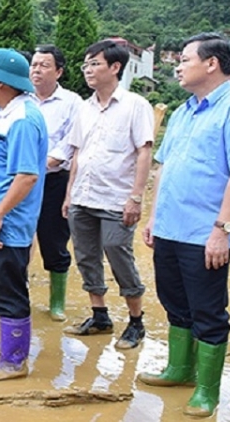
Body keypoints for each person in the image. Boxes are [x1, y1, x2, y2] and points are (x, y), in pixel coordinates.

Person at [137, 33, 230, 418]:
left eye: (185, 58)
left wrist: (220, 230)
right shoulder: (181, 111)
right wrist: (154, 218)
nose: (177, 64)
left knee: (208, 310)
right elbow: (163, 169)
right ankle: (179, 368)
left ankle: (207, 390)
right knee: (174, 302)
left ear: (211, 63)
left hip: (204, 231)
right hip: (170, 228)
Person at [61, 40, 154, 350]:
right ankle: (100, 316)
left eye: (95, 64)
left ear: (115, 67)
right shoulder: (83, 109)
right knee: (86, 257)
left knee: (118, 252)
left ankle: (136, 321)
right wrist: (69, 194)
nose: (88, 70)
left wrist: (136, 197)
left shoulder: (135, 105)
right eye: (86, 64)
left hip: (116, 199)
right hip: (83, 198)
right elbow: (77, 154)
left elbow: (144, 152)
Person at [0, 48, 48, 381]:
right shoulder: (11, 112)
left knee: (9, 288)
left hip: (7, 222)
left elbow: (27, 175)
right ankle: (9, 343)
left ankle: (14, 361)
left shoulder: (22, 120)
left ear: (0, 84)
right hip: (1, 217)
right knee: (3, 284)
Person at [29, 45, 83, 322]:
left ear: (59, 71)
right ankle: (19, 294)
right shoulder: (21, 99)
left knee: (53, 239)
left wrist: (43, 164)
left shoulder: (72, 102)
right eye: (34, 64)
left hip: (54, 181)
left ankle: (57, 302)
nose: (36, 70)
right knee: (18, 237)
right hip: (21, 182)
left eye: (43, 65)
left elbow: (71, 143)